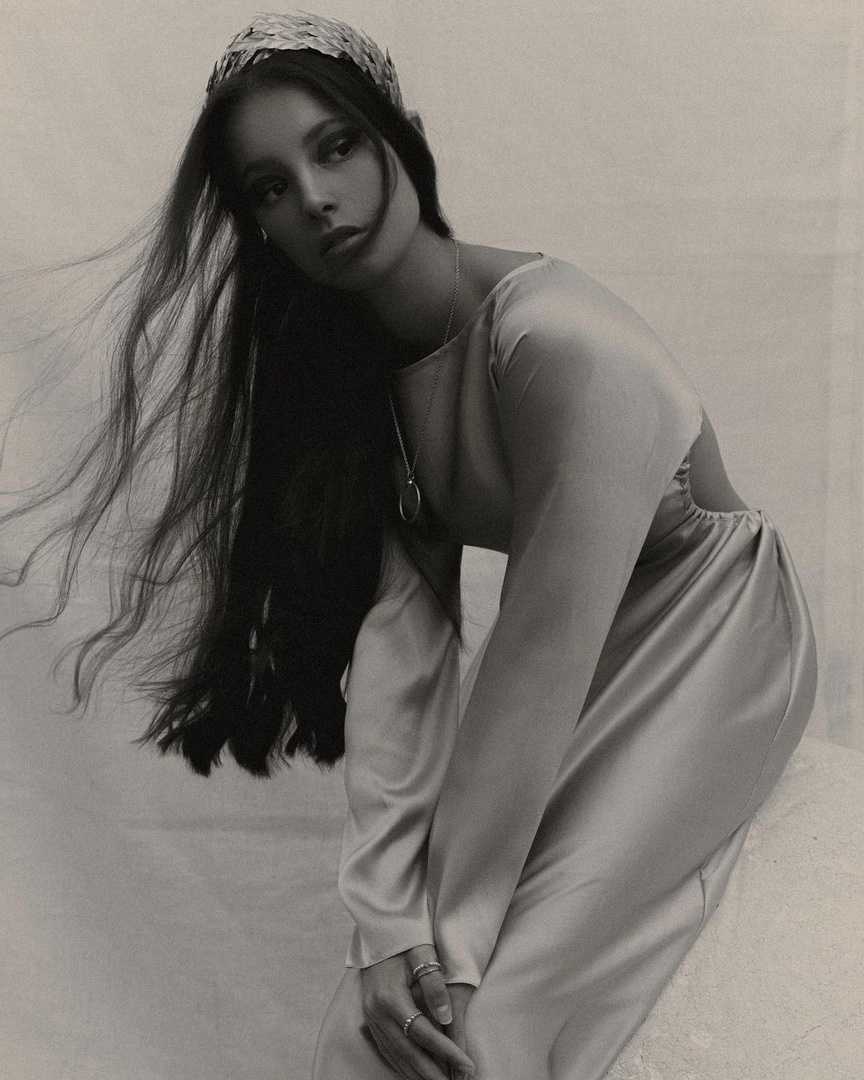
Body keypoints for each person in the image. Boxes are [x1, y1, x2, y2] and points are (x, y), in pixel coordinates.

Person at [0, 10, 818, 1080]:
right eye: (271, 188)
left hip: (715, 637)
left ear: (403, 138)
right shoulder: (365, 379)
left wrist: (456, 944)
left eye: (336, 146)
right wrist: (387, 927)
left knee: (478, 1021)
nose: (315, 198)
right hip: (584, 650)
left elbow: (538, 654)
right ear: (259, 227)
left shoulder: (557, 341)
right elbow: (404, 647)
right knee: (375, 1015)